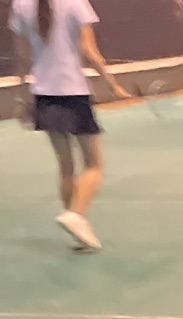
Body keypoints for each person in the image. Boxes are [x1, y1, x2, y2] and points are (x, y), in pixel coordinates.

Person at [8, 0, 127, 251]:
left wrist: (22, 96)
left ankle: (76, 231)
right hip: (74, 95)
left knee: (66, 168)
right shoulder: (75, 2)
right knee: (93, 164)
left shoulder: (20, 4)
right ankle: (75, 216)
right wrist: (112, 84)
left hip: (43, 96)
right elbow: (89, 50)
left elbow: (22, 55)